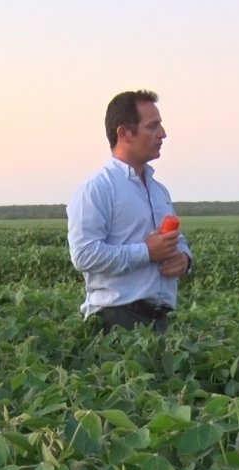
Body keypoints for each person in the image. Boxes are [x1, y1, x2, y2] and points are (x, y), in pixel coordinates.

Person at [67, 90, 193, 333]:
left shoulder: (158, 190)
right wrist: (146, 252)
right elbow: (83, 255)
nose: (163, 134)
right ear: (125, 133)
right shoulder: (97, 189)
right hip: (116, 319)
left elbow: (178, 242)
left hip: (159, 320)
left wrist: (184, 261)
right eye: (153, 126)